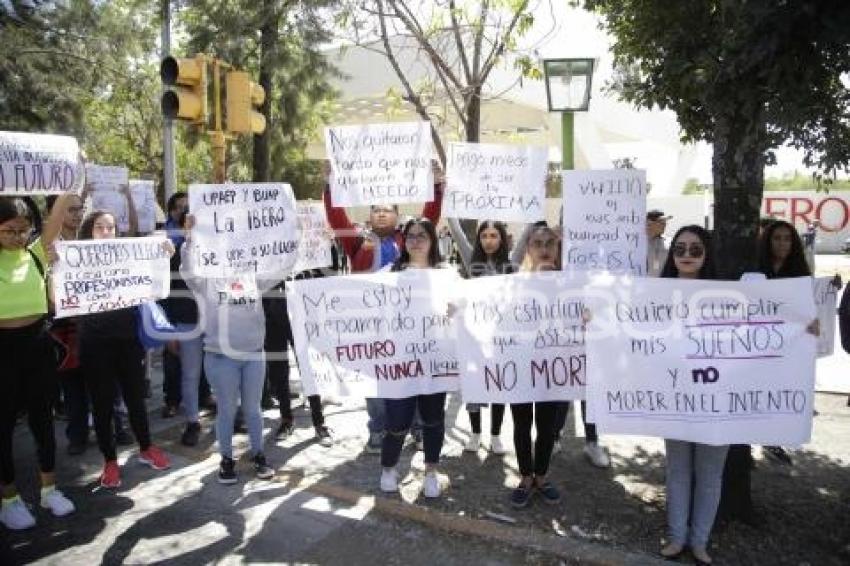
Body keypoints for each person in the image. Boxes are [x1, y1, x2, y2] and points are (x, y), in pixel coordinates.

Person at [324, 164, 444, 453]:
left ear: (397, 216)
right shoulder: (357, 242)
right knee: (374, 380)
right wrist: (329, 186)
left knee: (411, 374)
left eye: (387, 209)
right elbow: (336, 217)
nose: (381, 212)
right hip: (372, 326)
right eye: (376, 209)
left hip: (409, 325)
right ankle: (378, 430)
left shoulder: (409, 240)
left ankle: (415, 428)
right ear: (369, 216)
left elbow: (430, 218)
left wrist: (437, 186)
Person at [76, 188, 172, 488]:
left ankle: (146, 448)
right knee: (103, 405)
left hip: (127, 340)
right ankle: (109, 462)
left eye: (110, 227)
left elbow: (152, 264)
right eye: (99, 227)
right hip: (94, 344)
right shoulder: (75, 259)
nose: (106, 232)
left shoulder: (126, 254)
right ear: (88, 232)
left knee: (135, 398)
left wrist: (164, 251)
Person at [180, 216, 285, 484]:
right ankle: (226, 459)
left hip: (254, 354)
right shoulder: (206, 278)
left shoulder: (253, 274)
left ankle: (259, 454)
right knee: (227, 409)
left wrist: (301, 237)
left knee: (253, 409)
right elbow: (188, 269)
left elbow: (282, 266)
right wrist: (190, 239)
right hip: (220, 356)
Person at [0, 195, 76, 530]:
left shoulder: (36, 255)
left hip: (37, 345)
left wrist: (71, 178)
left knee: (43, 421)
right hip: (3, 351)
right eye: (8, 231)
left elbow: (58, 212)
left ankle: (49, 490)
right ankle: (10, 499)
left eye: (23, 230)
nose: (17, 237)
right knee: (2, 427)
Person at [656, 225, 726, 564]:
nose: (686, 255)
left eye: (695, 249)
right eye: (680, 248)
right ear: (672, 255)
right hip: (675, 398)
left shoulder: (729, 296)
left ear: (707, 254)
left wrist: (805, 327)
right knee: (678, 471)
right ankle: (677, 538)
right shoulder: (654, 296)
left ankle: (700, 542)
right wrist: (594, 321)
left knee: (710, 475)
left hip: (717, 401)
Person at [379, 218, 448, 498]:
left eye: (422, 235)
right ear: (403, 241)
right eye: (410, 236)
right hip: (399, 363)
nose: (416, 240)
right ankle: (388, 468)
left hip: (434, 362)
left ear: (432, 241)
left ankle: (431, 472)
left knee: (433, 420)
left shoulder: (447, 275)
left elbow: (464, 312)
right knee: (397, 422)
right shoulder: (388, 273)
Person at [508, 221, 563, 508]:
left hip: (553, 368)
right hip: (520, 366)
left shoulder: (571, 282)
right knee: (521, 424)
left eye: (549, 243)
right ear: (528, 248)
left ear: (558, 247)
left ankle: (542, 476)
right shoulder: (513, 282)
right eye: (537, 243)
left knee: (547, 426)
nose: (543, 249)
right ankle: (525, 476)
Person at [453, 221, 511, 454]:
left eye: (494, 235)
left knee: (499, 386)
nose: (489, 240)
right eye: (484, 235)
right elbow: (456, 231)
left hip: (500, 339)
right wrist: (443, 193)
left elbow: (529, 226)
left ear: (501, 239)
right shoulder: (470, 259)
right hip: (472, 336)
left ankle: (495, 435)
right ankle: (475, 434)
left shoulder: (511, 263)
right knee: (473, 386)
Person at [160, 209, 205, 447]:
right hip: (186, 323)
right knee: (190, 374)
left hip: (220, 323)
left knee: (227, 371)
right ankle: (192, 422)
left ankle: (233, 414)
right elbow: (165, 296)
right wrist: (170, 331)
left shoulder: (229, 257)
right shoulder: (176, 257)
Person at [646, 209, 671, 277]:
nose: (665, 225)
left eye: (665, 222)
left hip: (661, 284)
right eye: (661, 222)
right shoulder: (639, 244)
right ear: (650, 223)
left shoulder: (669, 242)